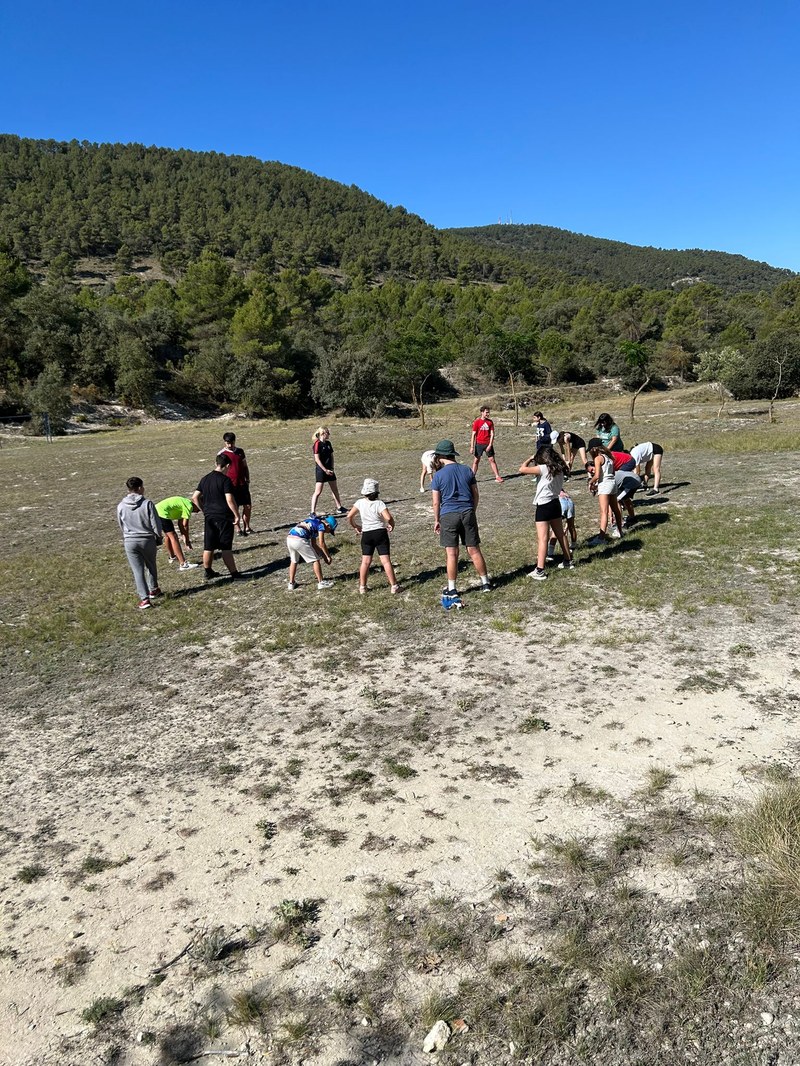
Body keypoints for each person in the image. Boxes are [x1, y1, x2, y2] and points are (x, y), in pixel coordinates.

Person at [430, 439, 492, 605]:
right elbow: (476, 494)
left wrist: (437, 519)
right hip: (467, 512)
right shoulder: (467, 470)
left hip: (448, 515)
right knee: (474, 549)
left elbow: (436, 502)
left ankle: (452, 587)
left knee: (452, 553)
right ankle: (485, 583)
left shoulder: (438, 476)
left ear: (441, 456)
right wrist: (472, 510)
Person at [518, 446, 574, 580]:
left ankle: (540, 570)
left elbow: (522, 469)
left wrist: (531, 458)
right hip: (556, 503)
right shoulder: (560, 468)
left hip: (543, 505)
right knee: (561, 534)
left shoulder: (543, 468)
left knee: (542, 538)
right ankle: (568, 560)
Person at [192, 453, 244, 581]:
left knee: (208, 545)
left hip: (209, 516)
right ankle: (234, 574)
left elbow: (195, 497)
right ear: (227, 466)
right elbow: (229, 499)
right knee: (226, 546)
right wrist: (236, 515)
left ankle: (208, 571)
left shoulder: (205, 479)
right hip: (223, 516)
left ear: (216, 463)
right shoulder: (225, 480)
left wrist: (204, 510)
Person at [117, 477, 163, 609]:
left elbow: (121, 524)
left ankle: (144, 599)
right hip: (147, 539)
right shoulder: (147, 503)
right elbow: (155, 523)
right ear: (139, 488)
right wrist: (158, 536)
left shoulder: (121, 505)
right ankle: (153, 588)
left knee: (137, 571)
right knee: (151, 565)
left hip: (130, 540)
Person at [347, 478, 399, 594]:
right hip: (380, 533)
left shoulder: (360, 503)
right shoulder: (379, 503)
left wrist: (355, 526)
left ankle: (362, 587)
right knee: (385, 561)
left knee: (365, 561)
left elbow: (349, 516)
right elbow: (388, 517)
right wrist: (391, 524)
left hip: (367, 534)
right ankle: (394, 586)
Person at [286, 515, 336, 591]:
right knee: (315, 560)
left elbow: (314, 544)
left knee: (294, 561)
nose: (328, 532)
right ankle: (321, 582)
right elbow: (321, 543)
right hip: (299, 539)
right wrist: (328, 556)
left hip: (290, 538)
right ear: (328, 525)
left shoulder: (313, 523)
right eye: (330, 530)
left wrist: (324, 556)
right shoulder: (321, 525)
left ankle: (291, 583)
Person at [586, 443, 624, 546]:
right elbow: (613, 473)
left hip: (605, 485)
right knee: (615, 509)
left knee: (604, 512)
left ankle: (601, 538)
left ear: (594, 448)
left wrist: (590, 482)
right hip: (612, 483)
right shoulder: (609, 457)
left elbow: (597, 475)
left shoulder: (598, 458)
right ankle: (620, 531)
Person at [155, 496, 200, 570]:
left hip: (157, 511)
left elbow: (180, 524)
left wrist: (185, 539)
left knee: (168, 535)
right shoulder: (189, 506)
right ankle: (183, 564)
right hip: (162, 513)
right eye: (200, 508)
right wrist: (187, 542)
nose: (198, 511)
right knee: (173, 537)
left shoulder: (185, 504)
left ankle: (172, 557)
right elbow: (185, 525)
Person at [221, 431, 253, 535]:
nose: (230, 445)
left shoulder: (240, 451)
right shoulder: (222, 454)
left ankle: (247, 527)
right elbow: (220, 470)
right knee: (234, 507)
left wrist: (247, 478)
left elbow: (245, 466)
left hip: (242, 483)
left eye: (231, 443)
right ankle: (238, 528)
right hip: (230, 485)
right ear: (224, 442)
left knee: (247, 506)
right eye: (227, 443)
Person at [311, 426, 347, 516]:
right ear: (323, 433)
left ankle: (339, 507)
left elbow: (331, 456)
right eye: (328, 432)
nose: (329, 434)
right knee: (318, 492)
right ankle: (312, 512)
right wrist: (325, 470)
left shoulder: (328, 443)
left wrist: (332, 468)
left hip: (330, 470)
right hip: (321, 471)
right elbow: (317, 459)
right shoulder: (317, 444)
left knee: (335, 489)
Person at [470, 406, 504, 483]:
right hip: (479, 444)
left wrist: (490, 445)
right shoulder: (477, 422)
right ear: (482, 412)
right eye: (486, 412)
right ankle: (472, 477)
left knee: (492, 460)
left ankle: (497, 476)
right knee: (476, 460)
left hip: (487, 443)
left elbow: (492, 434)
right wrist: (472, 446)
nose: (488, 414)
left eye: (489, 412)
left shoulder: (490, 422)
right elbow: (473, 435)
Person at [548, 490, 577, 559]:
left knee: (555, 529)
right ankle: (573, 545)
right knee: (571, 526)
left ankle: (550, 553)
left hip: (560, 502)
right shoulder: (560, 486)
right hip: (569, 501)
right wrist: (565, 528)